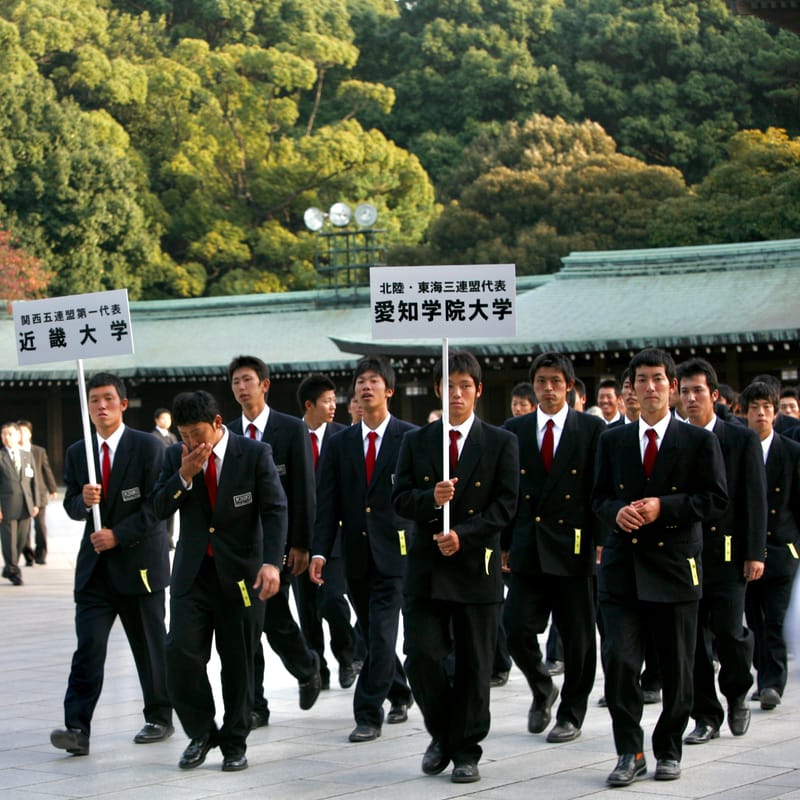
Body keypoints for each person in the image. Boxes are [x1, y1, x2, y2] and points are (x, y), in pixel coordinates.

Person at [592, 348, 727, 786]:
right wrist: (616, 513)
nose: (650, 388)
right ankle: (628, 752)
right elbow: (595, 500)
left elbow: (714, 500)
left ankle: (669, 748)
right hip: (622, 570)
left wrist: (662, 507)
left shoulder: (698, 441)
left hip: (674, 568)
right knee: (620, 664)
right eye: (642, 380)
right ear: (630, 388)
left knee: (678, 669)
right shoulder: (611, 441)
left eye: (658, 379)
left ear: (671, 387)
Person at [393, 351, 519, 783]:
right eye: (449, 386)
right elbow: (399, 499)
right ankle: (442, 733)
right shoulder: (417, 441)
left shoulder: (501, 442)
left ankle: (466, 749)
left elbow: (506, 505)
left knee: (473, 664)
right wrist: (432, 498)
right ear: (436, 391)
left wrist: (464, 534)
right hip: (426, 568)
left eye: (466, 386)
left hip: (475, 566)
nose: (458, 394)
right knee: (422, 656)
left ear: (479, 390)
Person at [153, 390, 287, 772]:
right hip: (193, 575)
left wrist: (271, 563)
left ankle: (234, 740)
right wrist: (184, 476)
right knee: (180, 654)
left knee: (239, 660)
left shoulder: (254, 454)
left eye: (197, 433)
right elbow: (159, 507)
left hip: (242, 575)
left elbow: (276, 509)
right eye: (184, 435)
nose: (191, 443)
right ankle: (200, 732)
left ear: (216, 424)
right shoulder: (174, 457)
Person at [51, 373, 172, 757]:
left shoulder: (149, 447)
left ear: (122, 403)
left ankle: (159, 716)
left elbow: (157, 507)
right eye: (93, 400)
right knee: (88, 648)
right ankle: (77, 728)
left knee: (149, 646)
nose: (100, 406)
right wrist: (81, 501)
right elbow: (70, 505)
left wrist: (118, 534)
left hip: (139, 565)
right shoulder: (78, 452)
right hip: (95, 572)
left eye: (107, 399)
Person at [310, 355, 415, 743]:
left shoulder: (410, 436)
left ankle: (368, 713)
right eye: (360, 382)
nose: (365, 388)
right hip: (355, 554)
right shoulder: (339, 444)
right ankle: (401, 691)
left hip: (396, 551)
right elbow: (328, 504)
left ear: (389, 390)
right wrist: (320, 551)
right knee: (373, 636)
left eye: (374, 381)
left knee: (384, 633)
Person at [503, 352, 605, 744]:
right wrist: (506, 543)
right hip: (529, 546)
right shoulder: (516, 428)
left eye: (556, 381)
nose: (548, 388)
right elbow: (509, 490)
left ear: (570, 387)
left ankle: (571, 713)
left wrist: (598, 539)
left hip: (575, 545)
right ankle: (542, 686)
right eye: (542, 381)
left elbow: (599, 488)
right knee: (515, 628)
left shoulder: (591, 429)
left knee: (578, 638)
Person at [226, 355, 320, 725]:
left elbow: (304, 489)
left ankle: (305, 664)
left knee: (273, 616)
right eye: (235, 382)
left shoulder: (289, 428)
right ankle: (255, 704)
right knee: (246, 625)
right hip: (240, 547)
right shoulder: (228, 431)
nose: (241, 387)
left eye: (247, 379)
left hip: (278, 545)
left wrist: (301, 543)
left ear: (264, 384)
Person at [678, 359, 766, 744]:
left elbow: (754, 498)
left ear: (714, 394)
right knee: (692, 640)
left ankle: (737, 692)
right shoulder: (675, 438)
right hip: (684, 557)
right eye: (684, 392)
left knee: (730, 633)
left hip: (729, 553)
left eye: (698, 391)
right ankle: (706, 715)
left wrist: (755, 551)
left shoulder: (740, 438)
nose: (691, 398)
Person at [741, 381, 800, 712]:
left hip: (781, 548)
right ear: (744, 413)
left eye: (766, 407)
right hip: (748, 550)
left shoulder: (791, 451)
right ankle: (763, 676)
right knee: (754, 618)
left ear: (775, 413)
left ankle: (772, 683)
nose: (760, 413)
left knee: (774, 618)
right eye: (754, 408)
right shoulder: (738, 450)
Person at [297, 373, 358, 690]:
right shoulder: (291, 435)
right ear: (310, 405)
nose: (334, 406)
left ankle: (347, 657)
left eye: (336, 400)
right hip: (298, 539)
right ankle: (316, 667)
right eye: (327, 401)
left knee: (333, 599)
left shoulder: (343, 436)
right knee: (307, 609)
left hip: (333, 536)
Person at [0, 422, 37, 585]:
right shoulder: (0, 456)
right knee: (9, 540)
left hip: (26, 504)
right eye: (4, 434)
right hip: (7, 505)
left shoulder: (26, 455)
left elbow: (34, 481)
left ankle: (9, 568)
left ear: (17, 436)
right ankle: (13, 570)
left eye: (10, 434)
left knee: (21, 540)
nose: (7, 437)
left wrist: (35, 503)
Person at [17, 420, 57, 565]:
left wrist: (52, 488)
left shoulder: (38, 451)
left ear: (29, 433)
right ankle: (28, 555)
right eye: (19, 432)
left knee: (40, 526)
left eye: (23, 431)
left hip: (38, 493)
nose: (21, 435)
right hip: (21, 496)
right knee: (24, 528)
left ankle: (41, 554)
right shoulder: (14, 452)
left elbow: (46, 470)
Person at [150, 408, 178, 549]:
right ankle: (162, 538)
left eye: (169, 418)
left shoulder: (172, 436)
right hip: (160, 476)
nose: (166, 421)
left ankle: (169, 538)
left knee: (172, 510)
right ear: (156, 420)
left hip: (173, 477)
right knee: (161, 508)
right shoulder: (153, 437)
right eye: (163, 418)